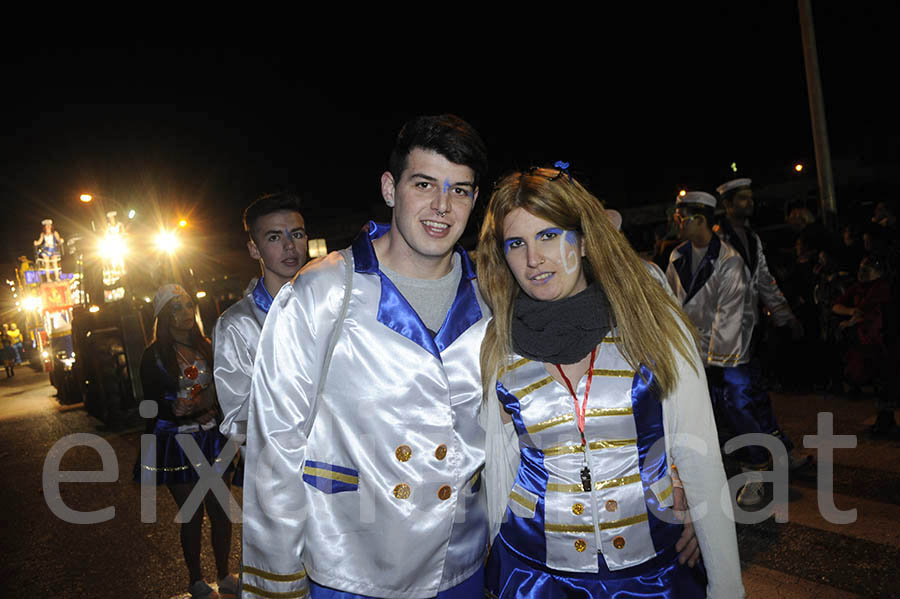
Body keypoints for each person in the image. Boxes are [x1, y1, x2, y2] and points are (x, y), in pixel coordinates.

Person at [241, 114, 492, 599]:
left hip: (459, 562)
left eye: (460, 190)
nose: (442, 206)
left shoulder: (492, 297)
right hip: (351, 566)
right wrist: (276, 580)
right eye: (424, 184)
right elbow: (275, 445)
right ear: (390, 188)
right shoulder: (322, 291)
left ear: (475, 200)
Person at [478, 168, 743, 598]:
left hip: (652, 575)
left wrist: (727, 586)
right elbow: (500, 470)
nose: (533, 259)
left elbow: (700, 457)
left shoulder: (652, 321)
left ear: (582, 241)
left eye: (549, 236)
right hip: (534, 577)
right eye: (516, 243)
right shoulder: (496, 342)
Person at [665, 192, 771, 508]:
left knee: (738, 406)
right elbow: (671, 305)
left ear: (698, 219)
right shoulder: (676, 257)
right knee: (701, 415)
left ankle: (756, 470)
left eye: (680, 217)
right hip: (695, 356)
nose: (676, 222)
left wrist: (711, 363)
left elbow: (732, 318)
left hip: (728, 357)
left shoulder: (730, 261)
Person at [135, 284, 239, 599]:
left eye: (188, 304)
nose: (185, 312)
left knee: (221, 509)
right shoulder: (153, 356)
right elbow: (148, 402)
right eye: (177, 308)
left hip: (211, 436)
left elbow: (227, 385)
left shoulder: (208, 345)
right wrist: (172, 408)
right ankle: (196, 579)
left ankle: (224, 574)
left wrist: (215, 406)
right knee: (192, 511)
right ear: (164, 316)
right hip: (176, 441)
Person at [715, 178, 811, 481]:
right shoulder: (716, 241)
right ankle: (758, 459)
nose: (749, 203)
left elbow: (764, 281)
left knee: (755, 396)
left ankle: (774, 453)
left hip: (750, 333)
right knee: (740, 400)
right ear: (728, 205)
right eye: (742, 199)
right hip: (723, 337)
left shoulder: (752, 239)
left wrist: (785, 316)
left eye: (750, 198)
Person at [214, 192, 308, 445]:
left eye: (297, 234)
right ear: (254, 249)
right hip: (283, 470)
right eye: (274, 237)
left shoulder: (332, 305)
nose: (290, 246)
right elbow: (236, 425)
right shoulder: (237, 325)